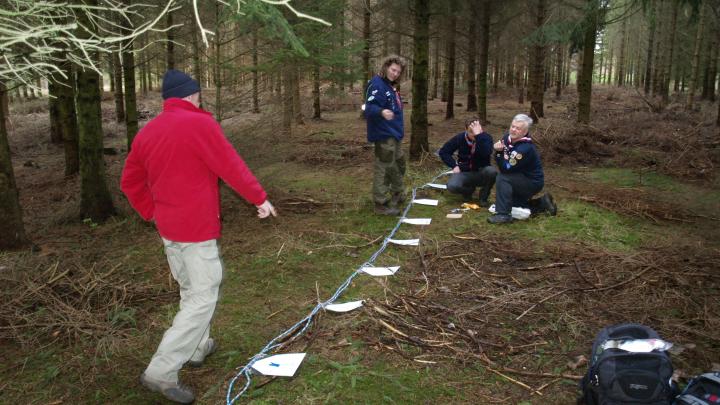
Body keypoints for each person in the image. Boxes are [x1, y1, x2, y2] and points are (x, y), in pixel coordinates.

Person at [120, 69, 277, 404]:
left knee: (191, 289)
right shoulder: (200, 124)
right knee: (203, 294)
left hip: (169, 229)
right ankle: (161, 371)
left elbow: (130, 183)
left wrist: (152, 213)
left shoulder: (147, 133)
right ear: (192, 95)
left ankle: (198, 346)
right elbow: (230, 165)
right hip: (195, 230)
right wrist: (259, 197)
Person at [487, 114, 557, 224]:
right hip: (519, 178)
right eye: (512, 126)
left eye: (518, 128)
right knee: (511, 204)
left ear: (524, 132)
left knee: (503, 178)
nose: (513, 130)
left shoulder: (525, 148)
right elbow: (505, 163)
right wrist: (499, 153)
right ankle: (542, 204)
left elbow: (506, 169)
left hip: (531, 182)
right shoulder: (507, 138)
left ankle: (503, 215)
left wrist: (499, 153)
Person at [364, 55, 407, 216]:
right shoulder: (377, 84)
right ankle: (380, 203)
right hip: (383, 134)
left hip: (395, 133)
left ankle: (398, 192)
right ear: (386, 67)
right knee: (384, 166)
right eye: (393, 69)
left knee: (398, 164)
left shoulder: (391, 86)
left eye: (398, 71)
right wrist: (381, 111)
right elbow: (368, 108)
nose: (395, 73)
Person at [438, 118, 497, 206]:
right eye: (471, 131)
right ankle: (468, 191)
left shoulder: (486, 138)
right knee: (452, 186)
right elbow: (444, 152)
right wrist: (454, 166)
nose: (474, 134)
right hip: (464, 172)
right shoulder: (460, 138)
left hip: (481, 172)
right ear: (465, 130)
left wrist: (479, 136)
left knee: (492, 171)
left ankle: (483, 197)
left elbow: (486, 152)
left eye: (477, 130)